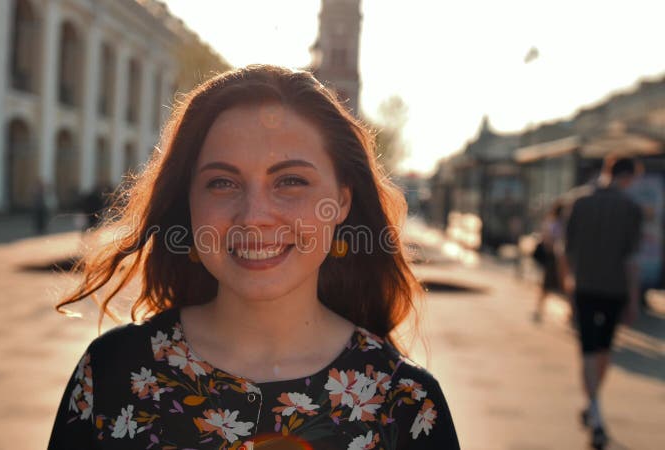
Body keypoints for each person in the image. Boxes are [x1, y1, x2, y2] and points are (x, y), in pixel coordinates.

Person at [47, 65, 459, 449]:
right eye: (223, 182)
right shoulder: (110, 374)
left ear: (343, 200)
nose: (254, 216)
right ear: (187, 201)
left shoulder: (406, 404)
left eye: (291, 181)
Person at [564, 156, 642, 449]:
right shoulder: (631, 209)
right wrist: (634, 299)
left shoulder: (580, 204)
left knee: (586, 349)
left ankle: (593, 406)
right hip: (615, 289)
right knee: (604, 349)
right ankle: (595, 409)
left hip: (584, 287)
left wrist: (568, 285)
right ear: (628, 176)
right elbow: (631, 260)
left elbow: (566, 251)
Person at [533, 201, 566, 323]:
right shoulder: (556, 223)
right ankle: (540, 308)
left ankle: (540, 308)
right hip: (554, 258)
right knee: (550, 284)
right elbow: (550, 240)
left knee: (549, 285)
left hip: (554, 257)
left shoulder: (550, 222)